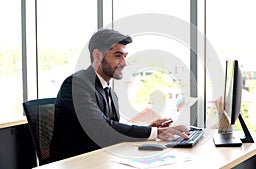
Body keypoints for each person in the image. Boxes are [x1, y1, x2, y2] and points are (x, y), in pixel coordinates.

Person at [49, 29, 190, 162]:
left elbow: (112, 130)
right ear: (97, 55)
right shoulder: (76, 85)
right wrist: (155, 132)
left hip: (103, 159)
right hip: (76, 162)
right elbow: (102, 128)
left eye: (125, 56)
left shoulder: (110, 92)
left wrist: (148, 128)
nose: (124, 63)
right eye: (118, 56)